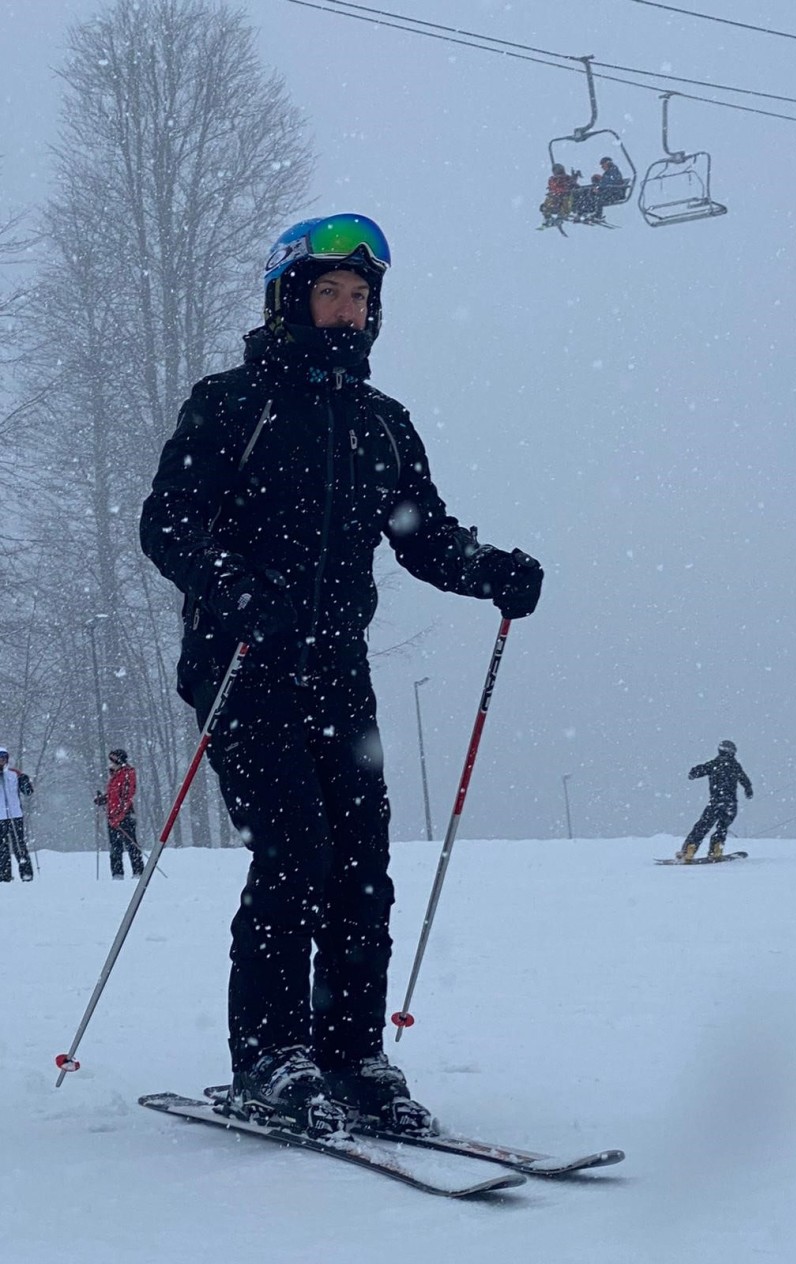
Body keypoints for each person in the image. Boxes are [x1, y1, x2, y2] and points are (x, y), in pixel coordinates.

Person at [139, 213, 543, 1139]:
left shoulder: (379, 425)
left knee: (361, 865)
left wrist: (492, 572)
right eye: (330, 293)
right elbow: (168, 521)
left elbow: (422, 535)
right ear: (290, 300)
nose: (349, 313)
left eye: (362, 299)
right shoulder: (234, 406)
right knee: (295, 852)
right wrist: (237, 592)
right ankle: (270, 1061)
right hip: (242, 662)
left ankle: (352, 1055)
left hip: (336, 670)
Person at [677, 740, 753, 862]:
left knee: (702, 827)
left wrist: (693, 772)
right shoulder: (735, 766)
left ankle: (688, 851)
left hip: (716, 802)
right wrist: (748, 790)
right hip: (730, 805)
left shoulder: (714, 764)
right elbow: (745, 780)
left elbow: (698, 771)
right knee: (722, 828)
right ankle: (716, 850)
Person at [94, 748, 144, 880]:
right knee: (115, 848)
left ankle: (138, 873)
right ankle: (117, 874)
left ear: (119, 761)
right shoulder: (114, 776)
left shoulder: (127, 774)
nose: (110, 764)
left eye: (112, 761)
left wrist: (119, 816)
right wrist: (103, 799)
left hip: (125, 815)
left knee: (131, 845)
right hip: (112, 816)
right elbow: (114, 796)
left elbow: (126, 797)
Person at [0, 746, 34, 882]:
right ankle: (4, 874)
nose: (1, 762)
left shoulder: (14, 775)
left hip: (15, 815)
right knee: (2, 848)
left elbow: (28, 792)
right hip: (0, 817)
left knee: (19, 845)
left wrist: (25, 782)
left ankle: (26, 873)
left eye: (3, 759)